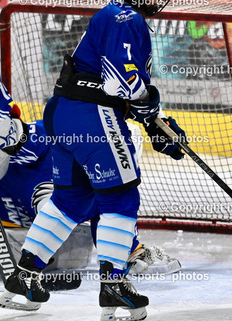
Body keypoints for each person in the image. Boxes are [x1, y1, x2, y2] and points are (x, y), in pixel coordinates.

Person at [0, 0, 185, 321]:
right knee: (120, 197)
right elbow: (121, 83)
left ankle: (25, 277)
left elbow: (114, 85)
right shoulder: (127, 18)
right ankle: (113, 286)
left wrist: (153, 120)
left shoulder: (113, 15)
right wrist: (151, 109)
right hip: (93, 117)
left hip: (64, 113)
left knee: (71, 200)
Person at [0, 118, 181, 280]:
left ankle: (132, 253)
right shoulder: (51, 135)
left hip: (25, 241)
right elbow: (10, 139)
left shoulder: (101, 193)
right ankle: (131, 254)